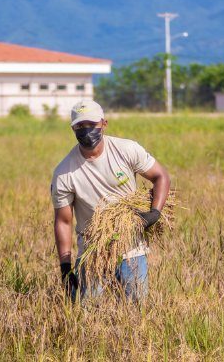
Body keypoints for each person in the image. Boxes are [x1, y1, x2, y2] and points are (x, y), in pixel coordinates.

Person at [51, 99, 171, 302]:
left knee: (136, 310)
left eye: (91, 124)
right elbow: (63, 220)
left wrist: (154, 213)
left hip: (131, 249)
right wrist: (65, 266)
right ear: (73, 128)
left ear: (103, 124)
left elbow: (161, 177)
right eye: (80, 126)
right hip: (91, 252)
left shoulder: (127, 150)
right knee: (88, 314)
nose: (86, 130)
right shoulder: (64, 173)